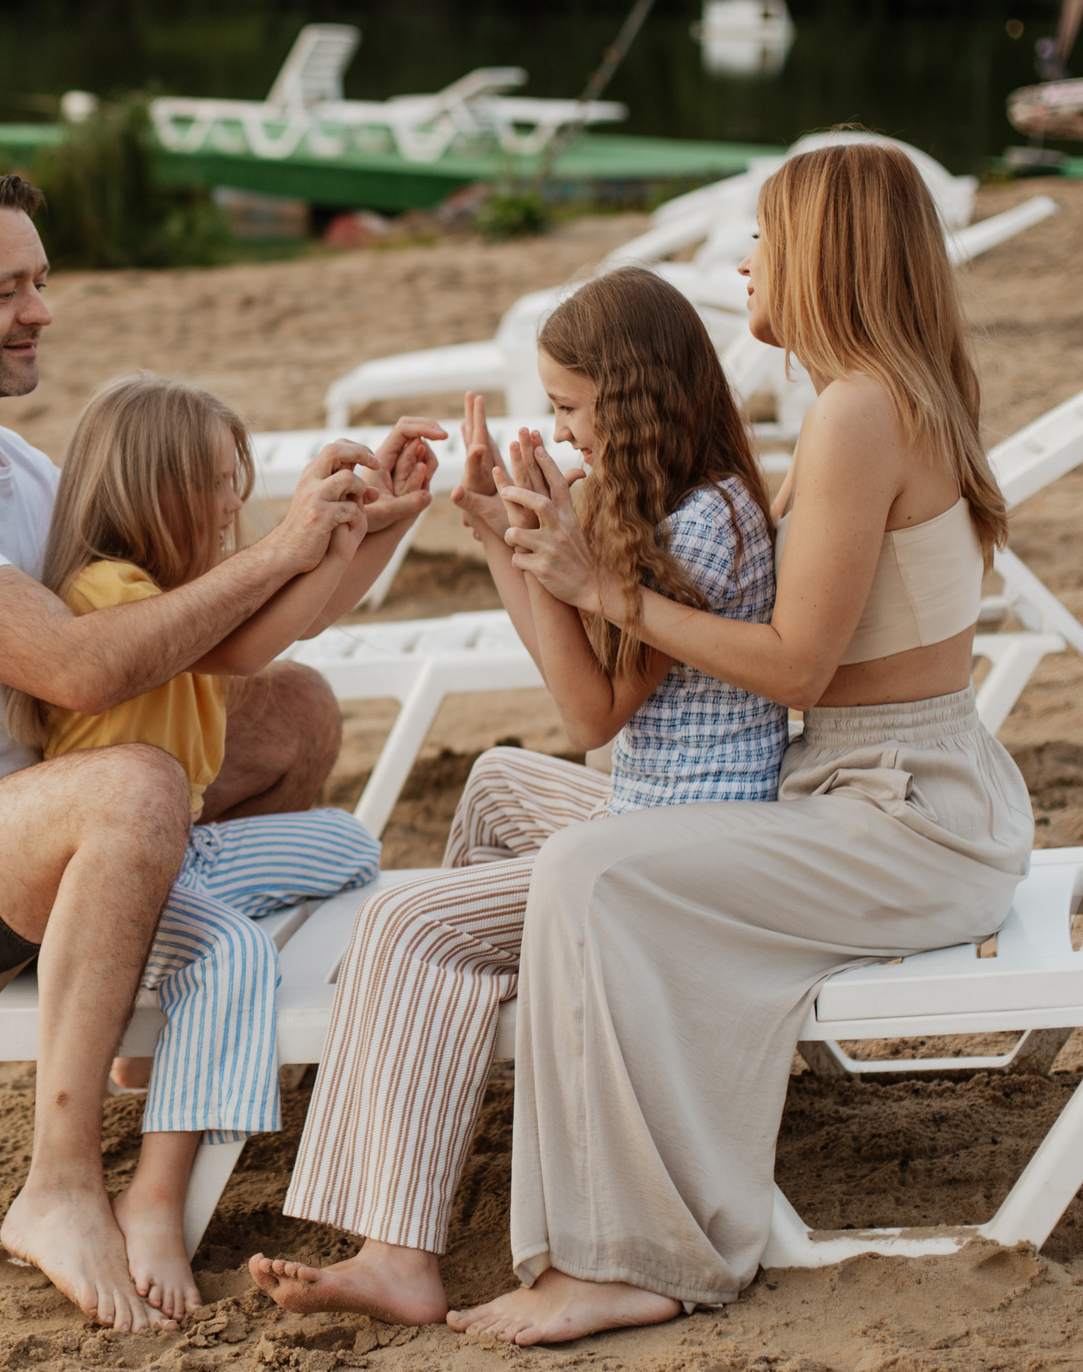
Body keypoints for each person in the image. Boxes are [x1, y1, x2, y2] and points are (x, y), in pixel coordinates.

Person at [258, 137, 1033, 1345]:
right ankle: (439, 1145)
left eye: (768, 238)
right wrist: (547, 556)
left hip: (898, 818)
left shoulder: (858, 413)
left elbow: (793, 665)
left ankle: (622, 1254)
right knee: (513, 791)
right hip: (854, 790)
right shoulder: (876, 400)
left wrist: (601, 587)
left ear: (823, 255)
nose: (746, 260)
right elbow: (645, 689)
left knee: (581, 867)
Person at [0, 164, 439, 1330]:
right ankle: (60, 1183)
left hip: (24, 810)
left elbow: (218, 641)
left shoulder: (18, 468)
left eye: (40, 282)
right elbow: (81, 668)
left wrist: (358, 533)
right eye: (4, 292)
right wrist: (278, 546)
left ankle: (165, 1027)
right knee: (136, 784)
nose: (38, 311)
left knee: (294, 708)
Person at [250, 267, 785, 1324]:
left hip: (682, 851)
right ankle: (447, 1060)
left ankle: (398, 1250)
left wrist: (536, 548)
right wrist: (505, 537)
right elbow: (578, 688)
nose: (561, 429)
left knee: (407, 923)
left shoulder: (701, 528)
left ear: (630, 402)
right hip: (652, 808)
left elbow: (590, 718)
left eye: (571, 408)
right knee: (495, 783)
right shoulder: (686, 497)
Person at [18, 373, 421, 1321]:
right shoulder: (114, 593)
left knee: (349, 843)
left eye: (234, 478)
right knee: (237, 956)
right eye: (211, 483)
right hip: (124, 878)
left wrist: (387, 519)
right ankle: (154, 1198)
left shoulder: (179, 592)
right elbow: (260, 631)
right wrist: (313, 533)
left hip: (190, 853)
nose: (232, 502)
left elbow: (303, 612)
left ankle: (163, 1022)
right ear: (147, 491)